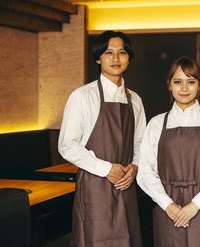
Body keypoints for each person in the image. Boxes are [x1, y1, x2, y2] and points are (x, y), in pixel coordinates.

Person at [58, 30, 146, 247]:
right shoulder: (82, 96)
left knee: (129, 238)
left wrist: (134, 167)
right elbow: (67, 145)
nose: (116, 58)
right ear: (98, 58)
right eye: (108, 52)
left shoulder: (135, 99)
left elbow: (141, 143)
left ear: (129, 58)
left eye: (122, 52)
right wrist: (107, 169)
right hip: (95, 186)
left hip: (126, 184)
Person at [137, 56, 200, 247]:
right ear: (169, 85)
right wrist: (168, 205)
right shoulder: (156, 124)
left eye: (191, 82)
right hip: (166, 207)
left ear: (199, 85)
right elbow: (145, 172)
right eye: (178, 82)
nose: (184, 88)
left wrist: (194, 205)